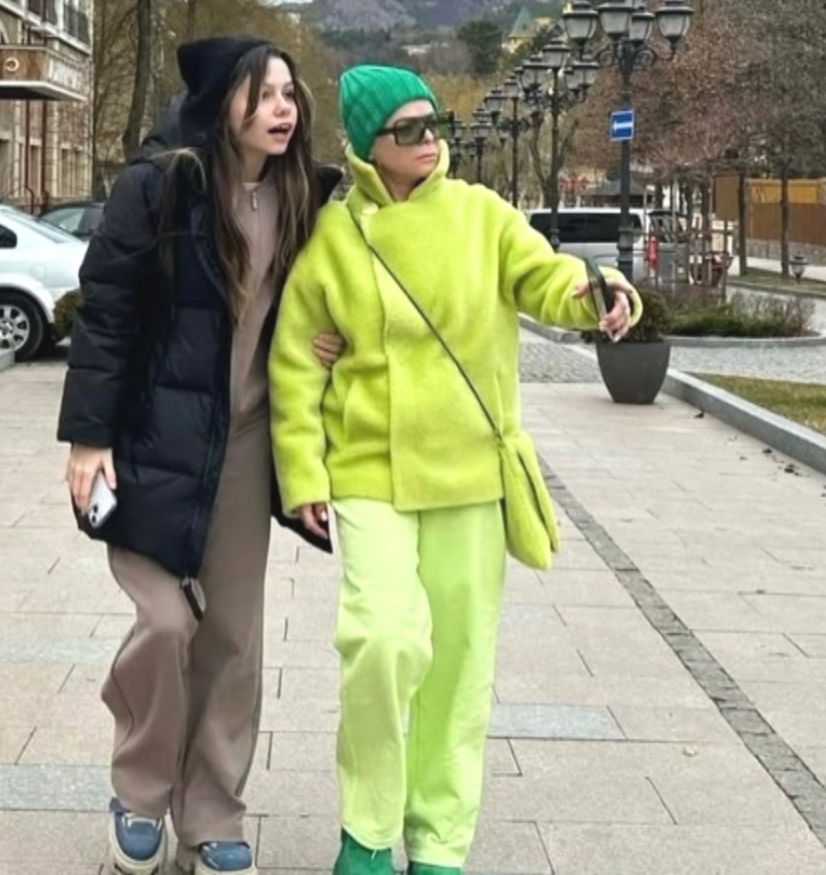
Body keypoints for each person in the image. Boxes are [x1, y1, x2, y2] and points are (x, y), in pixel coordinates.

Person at [269, 65, 641, 874]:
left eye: (432, 121)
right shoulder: (333, 238)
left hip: (470, 474)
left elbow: (546, 277)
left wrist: (599, 292)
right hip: (368, 470)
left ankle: (438, 840)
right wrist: (303, 477)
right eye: (406, 129)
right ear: (367, 145)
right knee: (381, 640)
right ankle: (367, 830)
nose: (428, 138)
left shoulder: (481, 215)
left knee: (459, 665)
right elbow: (294, 364)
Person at [57, 36, 343, 875]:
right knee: (165, 620)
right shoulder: (157, 187)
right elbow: (106, 313)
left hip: (250, 443)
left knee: (230, 637)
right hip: (152, 438)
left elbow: (336, 300)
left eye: (290, 93)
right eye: (265, 93)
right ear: (223, 102)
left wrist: (334, 340)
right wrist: (88, 437)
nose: (284, 108)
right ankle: (140, 790)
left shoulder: (307, 197)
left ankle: (212, 813)